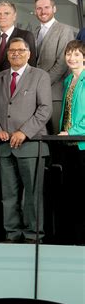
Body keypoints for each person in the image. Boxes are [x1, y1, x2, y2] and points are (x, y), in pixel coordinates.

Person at [0, 37, 52, 243]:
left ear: (29, 53)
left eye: (20, 50)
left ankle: (33, 236)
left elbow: (45, 110)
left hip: (31, 145)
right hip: (5, 146)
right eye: (11, 51)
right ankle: (12, 234)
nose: (15, 53)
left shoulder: (40, 76)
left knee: (32, 195)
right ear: (7, 55)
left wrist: (24, 132)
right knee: (8, 194)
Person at [34, 0, 75, 133]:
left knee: (56, 136)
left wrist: (40, 83)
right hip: (36, 95)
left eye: (46, 7)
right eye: (39, 8)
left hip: (55, 94)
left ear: (54, 9)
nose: (43, 11)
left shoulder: (65, 30)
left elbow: (62, 64)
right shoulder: (35, 32)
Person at [57, 40, 85, 244]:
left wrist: (72, 132)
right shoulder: (68, 81)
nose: (72, 58)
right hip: (69, 145)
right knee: (71, 194)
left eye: (76, 54)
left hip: (81, 143)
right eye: (69, 54)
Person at [0, 1, 36, 78]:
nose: (2, 17)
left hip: (18, 85)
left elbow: (31, 65)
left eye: (6, 13)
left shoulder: (26, 36)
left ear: (14, 16)